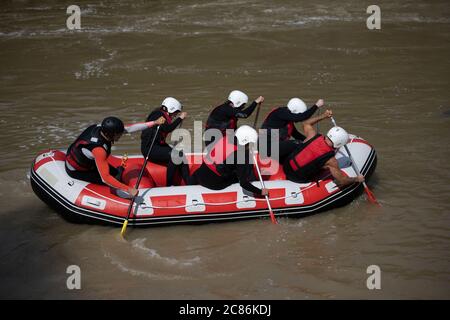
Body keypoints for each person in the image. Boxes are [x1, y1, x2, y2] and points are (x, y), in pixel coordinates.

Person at [65, 116, 165, 196]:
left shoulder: (102, 128)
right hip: (77, 170)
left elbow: (129, 129)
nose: (121, 136)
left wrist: (154, 122)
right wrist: (129, 189)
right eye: (119, 134)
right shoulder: (99, 150)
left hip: (86, 160)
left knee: (117, 173)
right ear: (111, 134)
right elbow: (106, 178)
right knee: (113, 182)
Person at [283, 110, 365, 186]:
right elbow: (343, 181)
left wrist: (324, 116)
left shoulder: (312, 135)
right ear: (338, 144)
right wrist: (357, 179)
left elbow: (306, 123)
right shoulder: (331, 161)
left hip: (286, 166)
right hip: (297, 178)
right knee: (325, 167)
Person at [189, 125, 268, 197]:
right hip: (215, 184)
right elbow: (244, 184)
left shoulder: (225, 138)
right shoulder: (241, 156)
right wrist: (260, 192)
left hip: (200, 173)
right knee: (244, 171)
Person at [140, 97, 190, 186]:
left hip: (158, 146)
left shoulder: (161, 114)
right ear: (171, 109)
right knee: (175, 155)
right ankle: (169, 185)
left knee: (181, 155)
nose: (175, 115)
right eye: (175, 113)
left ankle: (189, 182)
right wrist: (180, 118)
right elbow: (168, 128)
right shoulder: (157, 115)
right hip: (150, 149)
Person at [260, 97, 323, 162]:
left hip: (273, 147)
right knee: (298, 143)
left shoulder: (285, 120)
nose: (298, 120)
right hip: (265, 147)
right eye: (299, 113)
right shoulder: (280, 113)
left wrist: (311, 141)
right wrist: (316, 105)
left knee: (300, 143)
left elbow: (297, 135)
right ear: (294, 111)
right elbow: (302, 117)